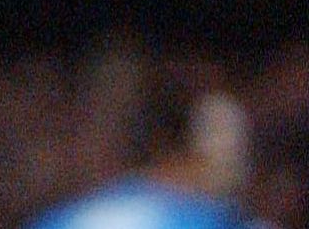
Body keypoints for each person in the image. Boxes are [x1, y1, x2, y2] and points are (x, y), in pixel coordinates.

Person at [27, 78, 268, 229]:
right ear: (170, 147)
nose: (234, 165)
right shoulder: (215, 221)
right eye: (217, 143)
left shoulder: (66, 218)